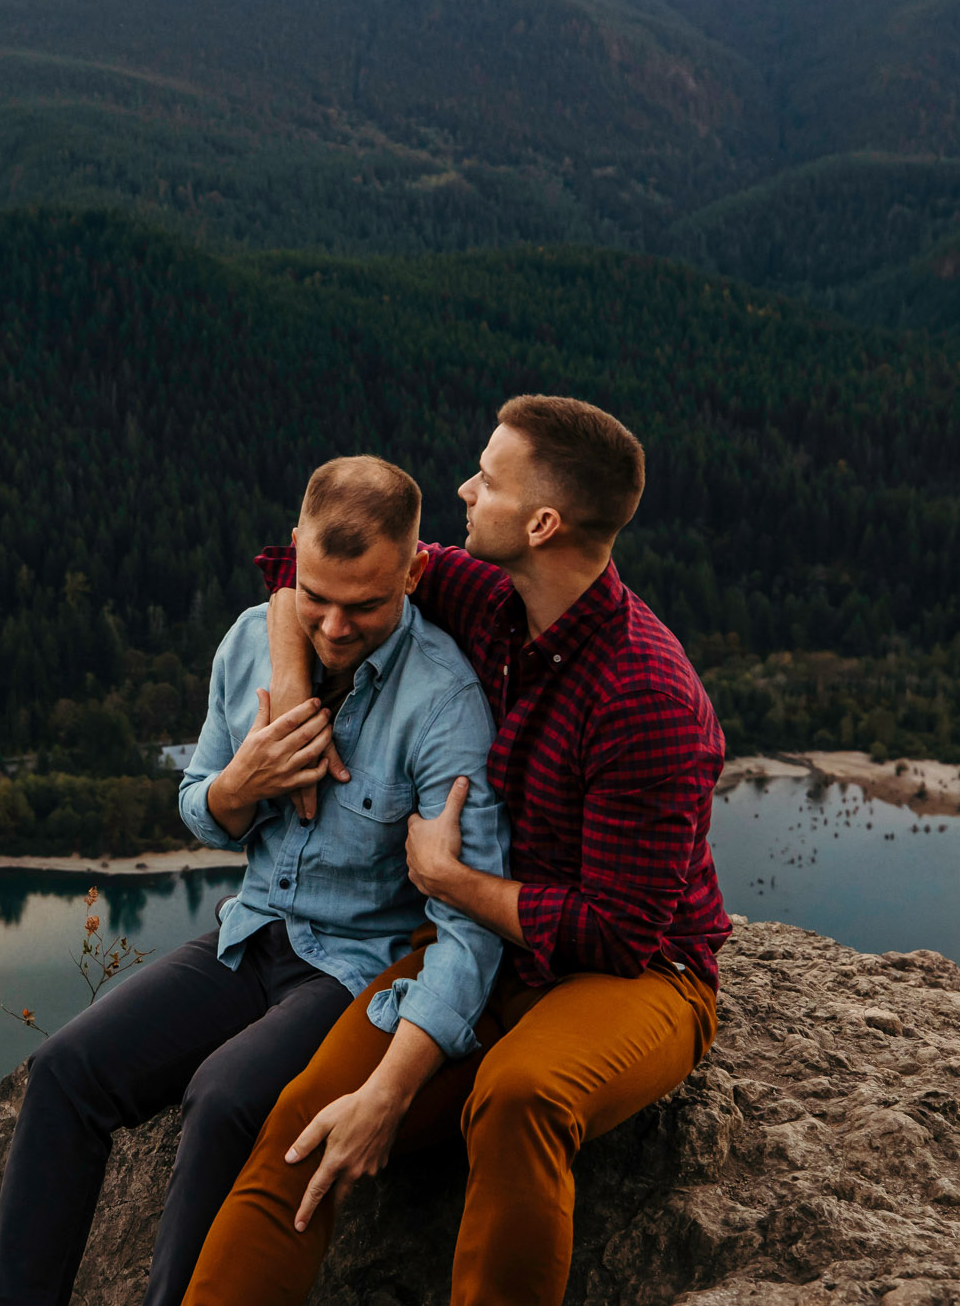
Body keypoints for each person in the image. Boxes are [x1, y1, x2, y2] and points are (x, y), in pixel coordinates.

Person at [182, 395, 733, 1306]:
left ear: (544, 522)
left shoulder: (647, 695)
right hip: (482, 951)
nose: (465, 488)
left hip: (641, 976)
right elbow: (300, 568)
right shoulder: (487, 595)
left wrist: (449, 881)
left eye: (488, 477)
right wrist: (290, 696)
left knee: (518, 1097)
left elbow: (622, 932)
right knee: (301, 1118)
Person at [0, 456, 508, 1306]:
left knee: (222, 1098)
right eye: (318, 596)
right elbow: (198, 800)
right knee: (66, 1070)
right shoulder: (250, 641)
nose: (333, 627)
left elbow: (469, 921)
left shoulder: (444, 703)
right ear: (293, 552)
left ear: (415, 571)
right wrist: (238, 786)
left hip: (352, 970)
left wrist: (407, 1062)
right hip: (247, 933)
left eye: (366, 605)